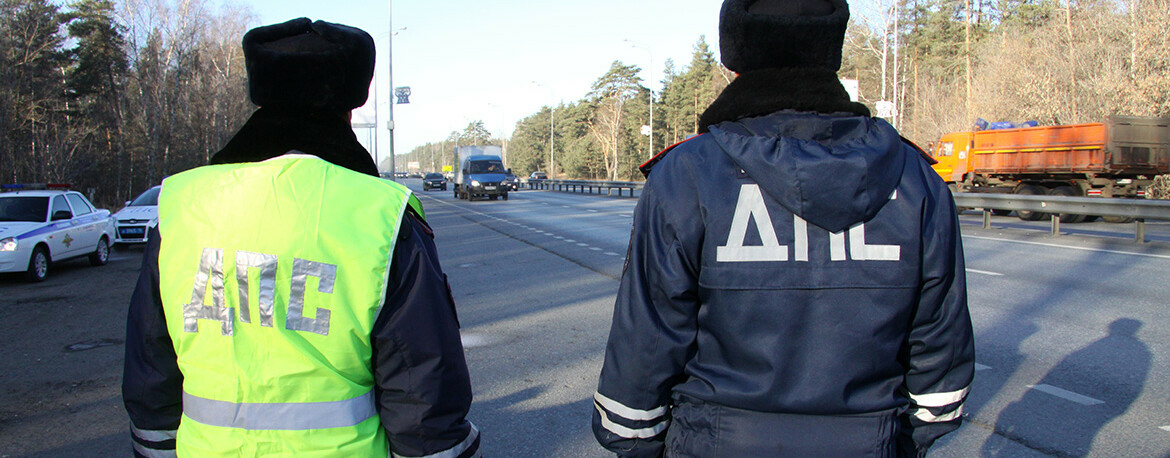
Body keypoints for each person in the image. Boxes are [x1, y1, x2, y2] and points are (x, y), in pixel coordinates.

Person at [591, 0, 974, 456]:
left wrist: (640, 444)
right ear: (831, 49)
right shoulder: (916, 178)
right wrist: (893, 443)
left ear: (735, 60)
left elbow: (646, 347)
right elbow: (940, 356)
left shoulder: (688, 174)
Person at [122, 18, 480, 458]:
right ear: (349, 105)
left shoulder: (181, 204)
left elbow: (150, 360)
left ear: (261, 96)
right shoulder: (381, 214)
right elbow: (421, 384)